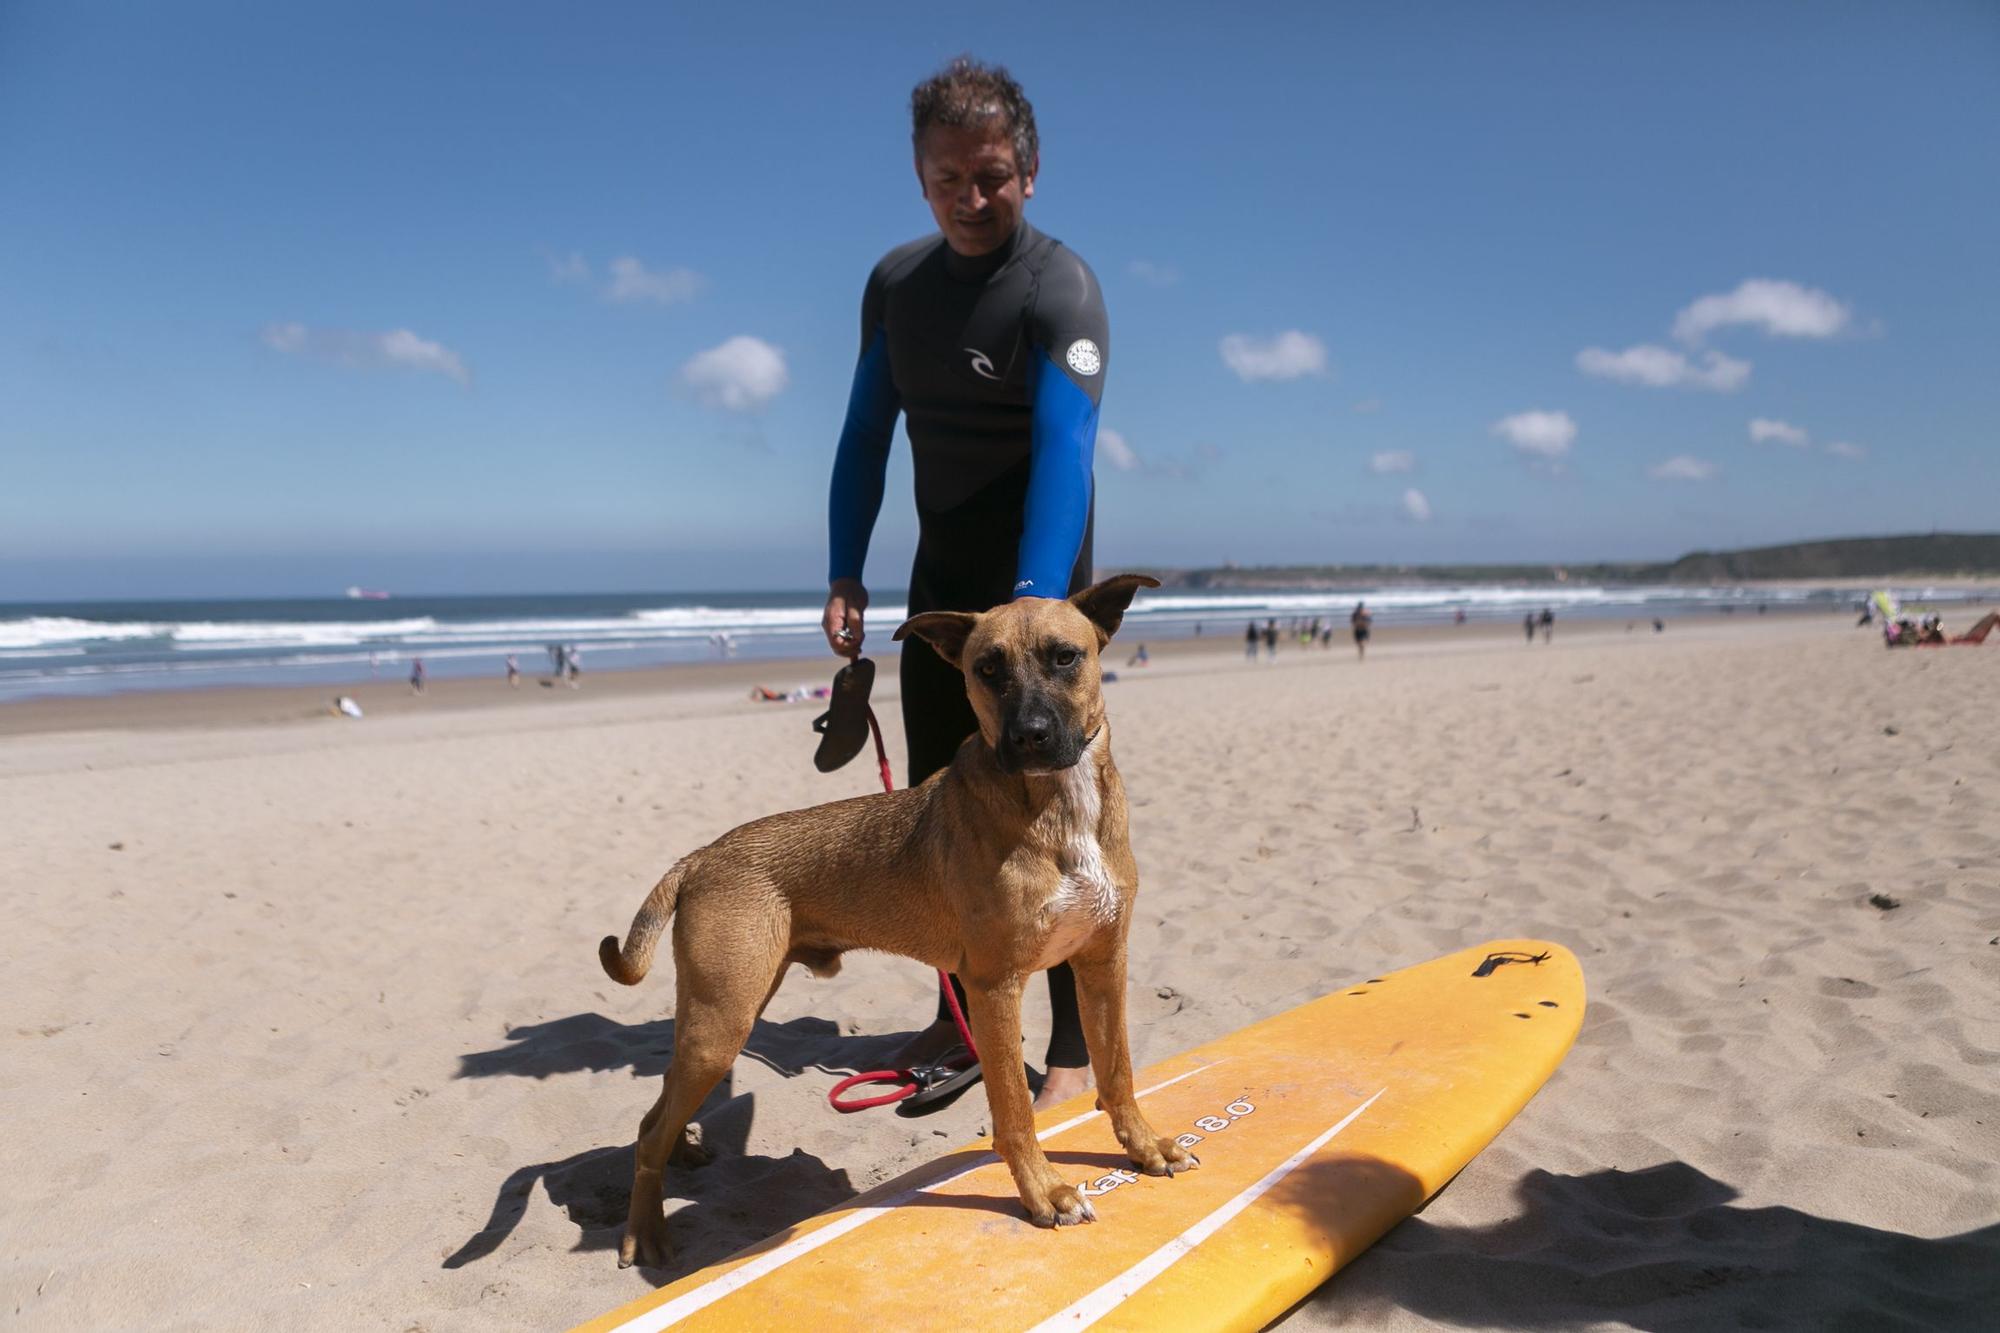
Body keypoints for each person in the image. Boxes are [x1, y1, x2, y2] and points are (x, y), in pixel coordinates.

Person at [820, 58, 1106, 1111]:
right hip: (940, 592)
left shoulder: (1057, 289)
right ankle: (961, 1021)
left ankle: (1072, 1043)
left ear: (1028, 171)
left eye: (989, 176)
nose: (970, 199)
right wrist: (846, 564)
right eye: (948, 180)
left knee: (1060, 813)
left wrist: (1029, 617)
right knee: (943, 817)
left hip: (1036, 597)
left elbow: (1067, 444)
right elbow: (862, 437)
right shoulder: (896, 288)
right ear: (919, 178)